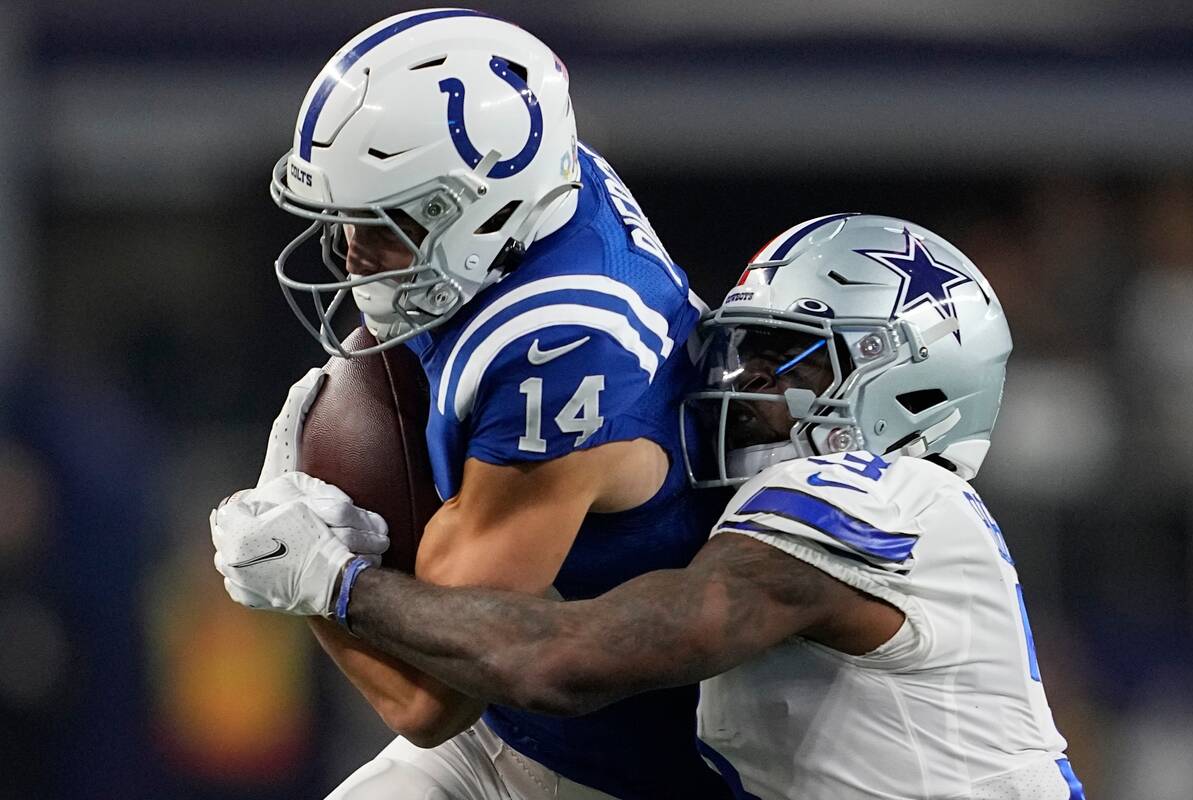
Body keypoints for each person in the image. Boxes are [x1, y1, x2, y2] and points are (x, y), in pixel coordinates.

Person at [214, 214, 1088, 800]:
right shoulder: (751, 518)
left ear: (913, 390)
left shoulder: (896, 499)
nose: (740, 383)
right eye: (744, 348)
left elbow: (567, 663)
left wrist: (341, 581)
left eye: (791, 362)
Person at [217, 9, 731, 800]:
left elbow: (429, 700)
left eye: (383, 222)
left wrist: (313, 573)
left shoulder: (560, 355)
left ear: (485, 211)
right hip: (522, 727)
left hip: (612, 768)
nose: (351, 251)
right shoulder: (540, 189)